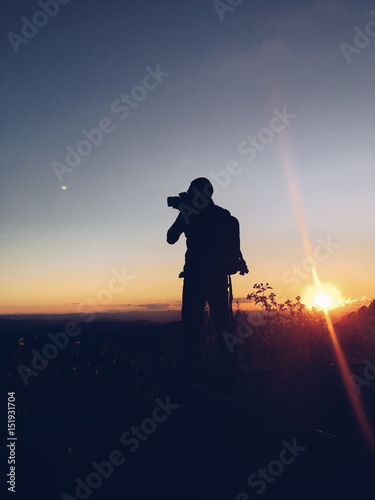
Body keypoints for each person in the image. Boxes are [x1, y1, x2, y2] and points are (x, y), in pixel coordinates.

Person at [167, 177, 243, 402]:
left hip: (194, 280)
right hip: (217, 280)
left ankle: (183, 387)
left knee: (191, 331)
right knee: (224, 329)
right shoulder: (223, 216)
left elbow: (171, 238)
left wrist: (184, 213)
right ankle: (228, 382)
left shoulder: (189, 213)